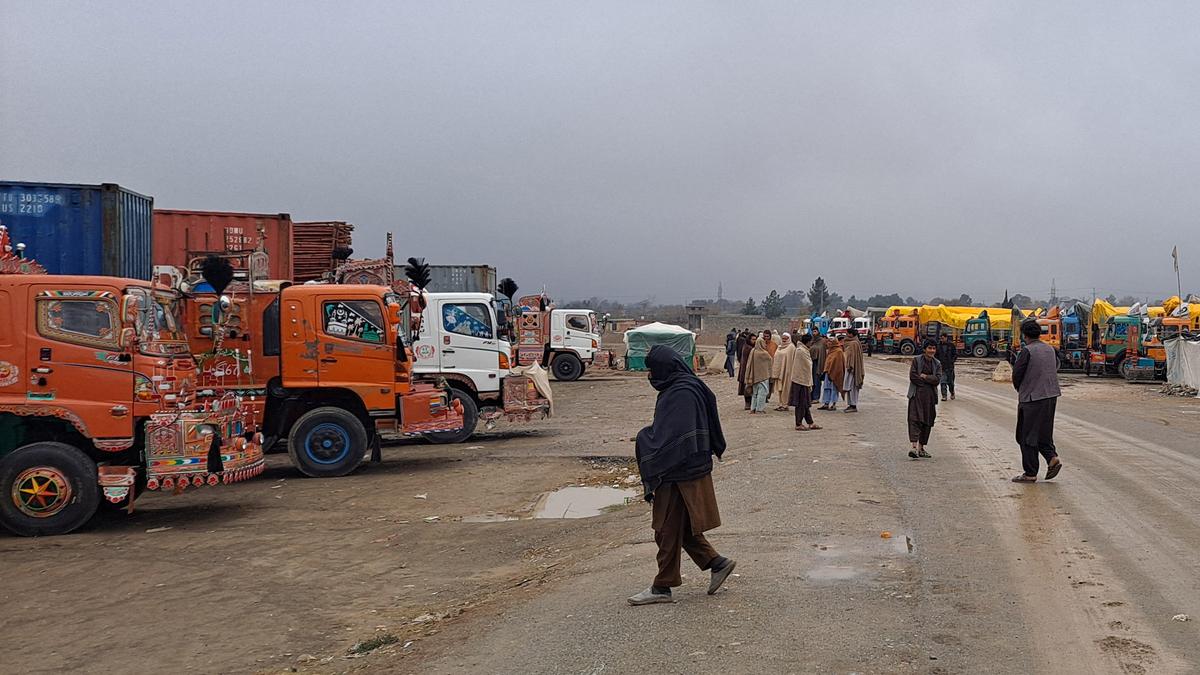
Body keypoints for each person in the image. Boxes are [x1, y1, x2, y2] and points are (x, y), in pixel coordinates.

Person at [628, 345, 736, 605]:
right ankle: (717, 563)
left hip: (678, 472)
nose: (651, 375)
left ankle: (662, 587)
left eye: (653, 369)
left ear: (665, 367)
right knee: (682, 527)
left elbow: (673, 437)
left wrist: (645, 438)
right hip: (690, 468)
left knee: (665, 529)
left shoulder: (680, 393)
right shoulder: (687, 386)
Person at [1011, 320, 1063, 483]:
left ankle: (1030, 472)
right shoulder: (1050, 349)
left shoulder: (1027, 351)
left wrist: (1022, 389)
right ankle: (1051, 457)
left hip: (1032, 399)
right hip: (1051, 396)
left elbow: (1016, 375)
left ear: (1024, 335)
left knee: (1026, 436)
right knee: (1043, 433)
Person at [907, 340, 941, 459]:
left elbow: (937, 379)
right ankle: (914, 447)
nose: (931, 351)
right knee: (915, 419)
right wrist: (928, 381)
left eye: (933, 348)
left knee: (927, 421)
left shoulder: (937, 364)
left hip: (930, 398)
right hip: (916, 395)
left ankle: (922, 448)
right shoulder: (916, 361)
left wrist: (925, 376)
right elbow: (913, 377)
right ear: (924, 349)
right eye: (929, 348)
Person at [790, 334, 820, 430]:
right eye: (810, 341)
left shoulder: (803, 350)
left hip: (803, 380)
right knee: (801, 403)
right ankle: (798, 424)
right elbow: (807, 365)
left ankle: (810, 422)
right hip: (800, 380)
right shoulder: (801, 351)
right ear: (807, 342)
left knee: (805, 403)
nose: (811, 343)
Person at [744, 337, 773, 413]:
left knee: (754, 393)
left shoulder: (753, 351)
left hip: (754, 376)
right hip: (763, 376)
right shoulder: (764, 353)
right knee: (762, 393)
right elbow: (770, 361)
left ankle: (753, 408)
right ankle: (759, 409)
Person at [819, 336, 845, 411]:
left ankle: (833, 404)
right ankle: (826, 403)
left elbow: (839, 364)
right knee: (826, 388)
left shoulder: (838, 351)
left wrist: (834, 371)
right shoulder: (829, 351)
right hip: (828, 373)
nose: (828, 343)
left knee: (834, 389)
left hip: (835, 373)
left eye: (830, 342)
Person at [771, 333, 796, 411]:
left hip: (787, 371)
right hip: (779, 371)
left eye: (786, 338)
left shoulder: (791, 347)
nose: (784, 340)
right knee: (780, 388)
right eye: (783, 338)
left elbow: (792, 359)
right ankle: (781, 403)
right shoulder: (779, 347)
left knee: (786, 388)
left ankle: (785, 404)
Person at [842, 329, 865, 413]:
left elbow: (853, 357)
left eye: (847, 333)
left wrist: (850, 366)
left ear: (851, 334)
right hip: (850, 367)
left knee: (853, 387)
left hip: (853, 369)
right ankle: (850, 404)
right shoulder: (853, 342)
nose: (846, 335)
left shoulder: (854, 343)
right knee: (850, 388)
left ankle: (853, 405)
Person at [935, 333, 958, 401]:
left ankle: (952, 392)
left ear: (946, 338)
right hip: (942, 367)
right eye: (941, 338)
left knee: (950, 382)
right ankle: (944, 396)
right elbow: (936, 355)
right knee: (943, 382)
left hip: (950, 367)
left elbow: (955, 354)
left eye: (943, 338)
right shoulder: (938, 346)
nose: (942, 340)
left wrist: (952, 361)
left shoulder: (951, 345)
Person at [736, 330, 754, 409]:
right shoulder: (748, 348)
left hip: (746, 370)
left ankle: (749, 403)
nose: (754, 341)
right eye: (753, 339)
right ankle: (748, 403)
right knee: (747, 388)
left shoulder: (747, 346)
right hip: (746, 370)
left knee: (748, 387)